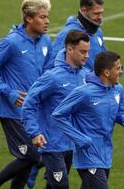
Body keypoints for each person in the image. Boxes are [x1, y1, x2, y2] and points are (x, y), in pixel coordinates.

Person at [0, 0, 53, 189]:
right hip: (12, 111)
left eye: (47, 17)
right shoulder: (11, 42)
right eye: (42, 17)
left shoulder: (46, 41)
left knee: (27, 163)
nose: (47, 21)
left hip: (34, 111)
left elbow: (49, 71)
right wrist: (9, 93)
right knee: (32, 156)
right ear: (29, 18)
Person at [52, 51, 124, 189]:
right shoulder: (84, 93)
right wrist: (79, 138)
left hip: (105, 154)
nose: (121, 72)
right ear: (107, 73)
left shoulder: (117, 89)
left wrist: (123, 118)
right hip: (88, 155)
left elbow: (120, 110)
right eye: (118, 68)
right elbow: (58, 115)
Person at [21, 30, 90, 189]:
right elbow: (29, 103)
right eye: (83, 52)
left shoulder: (86, 75)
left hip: (73, 143)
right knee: (61, 186)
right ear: (69, 49)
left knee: (53, 186)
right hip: (52, 143)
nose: (87, 56)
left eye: (88, 52)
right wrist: (34, 132)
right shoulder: (52, 77)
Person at [53, 0, 105, 71]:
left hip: (94, 82)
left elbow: (103, 56)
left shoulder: (97, 32)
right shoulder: (66, 34)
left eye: (101, 13)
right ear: (84, 10)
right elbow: (54, 64)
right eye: (96, 13)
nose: (100, 17)